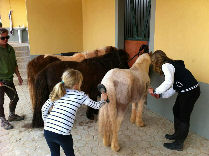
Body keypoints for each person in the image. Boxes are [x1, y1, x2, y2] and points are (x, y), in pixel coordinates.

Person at [42, 69, 108, 156]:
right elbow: (96, 106)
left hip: (48, 131)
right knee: (70, 154)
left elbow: (44, 109)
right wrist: (103, 100)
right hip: (63, 134)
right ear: (77, 84)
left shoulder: (58, 92)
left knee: (54, 153)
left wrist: (47, 121)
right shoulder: (80, 95)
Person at [148, 50, 200, 151]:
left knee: (184, 117)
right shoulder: (171, 65)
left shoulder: (166, 65)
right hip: (186, 91)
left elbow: (168, 82)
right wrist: (161, 95)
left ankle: (179, 144)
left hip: (190, 92)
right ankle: (177, 134)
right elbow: (173, 86)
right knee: (176, 110)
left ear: (156, 61)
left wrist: (156, 91)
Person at [0, 28, 24, 130]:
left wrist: (18, 76)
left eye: (7, 37)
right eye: (3, 38)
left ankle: (12, 115)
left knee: (15, 98)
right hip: (0, 81)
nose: (6, 39)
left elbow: (14, 64)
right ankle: (3, 120)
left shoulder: (10, 49)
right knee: (0, 102)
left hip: (9, 79)